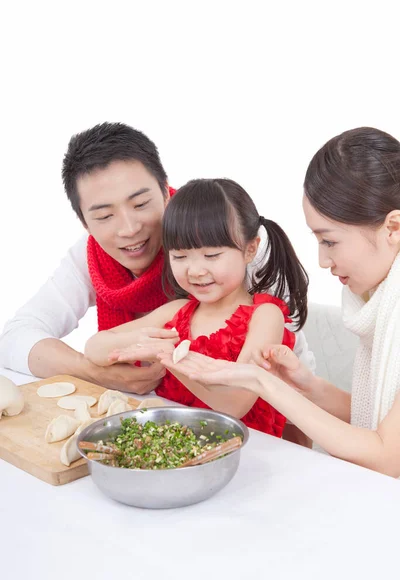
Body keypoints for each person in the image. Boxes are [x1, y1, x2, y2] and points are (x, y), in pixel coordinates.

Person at [0, 122, 314, 399]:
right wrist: (94, 371)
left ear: (166, 193)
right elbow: (16, 337)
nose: (129, 228)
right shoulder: (91, 259)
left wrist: (171, 356)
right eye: (105, 215)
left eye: (140, 204)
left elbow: (285, 368)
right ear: (85, 223)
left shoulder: (229, 242)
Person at [158, 127, 400, 476]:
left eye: (329, 241)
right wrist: (308, 386)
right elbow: (376, 419)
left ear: (393, 228)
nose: (322, 260)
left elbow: (388, 457)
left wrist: (263, 383)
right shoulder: (380, 305)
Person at [84, 178, 309, 437]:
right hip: (179, 451)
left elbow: (234, 404)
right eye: (179, 256)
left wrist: (172, 358)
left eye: (211, 256)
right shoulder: (176, 312)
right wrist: (141, 340)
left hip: (248, 455)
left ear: (250, 249)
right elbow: (94, 348)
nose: (195, 270)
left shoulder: (265, 317)